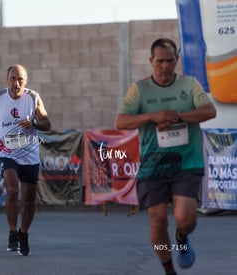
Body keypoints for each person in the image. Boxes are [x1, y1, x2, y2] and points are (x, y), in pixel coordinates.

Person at [115, 38, 216, 275]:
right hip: (153, 164)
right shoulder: (139, 90)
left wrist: (178, 116)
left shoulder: (189, 85)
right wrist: (151, 117)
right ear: (151, 61)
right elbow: (121, 121)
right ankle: (168, 269)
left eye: (170, 61)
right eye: (160, 61)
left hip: (186, 162)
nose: (165, 66)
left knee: (185, 219)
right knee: (157, 220)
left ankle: (181, 237)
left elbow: (209, 111)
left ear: (176, 60)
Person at [0, 64, 51, 256]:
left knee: (28, 199)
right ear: (7, 80)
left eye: (20, 79)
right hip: (6, 152)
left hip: (29, 153)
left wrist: (34, 122)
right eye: (13, 78)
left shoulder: (33, 97)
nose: (16, 83)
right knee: (12, 189)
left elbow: (47, 124)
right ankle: (12, 231)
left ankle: (23, 234)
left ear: (25, 81)